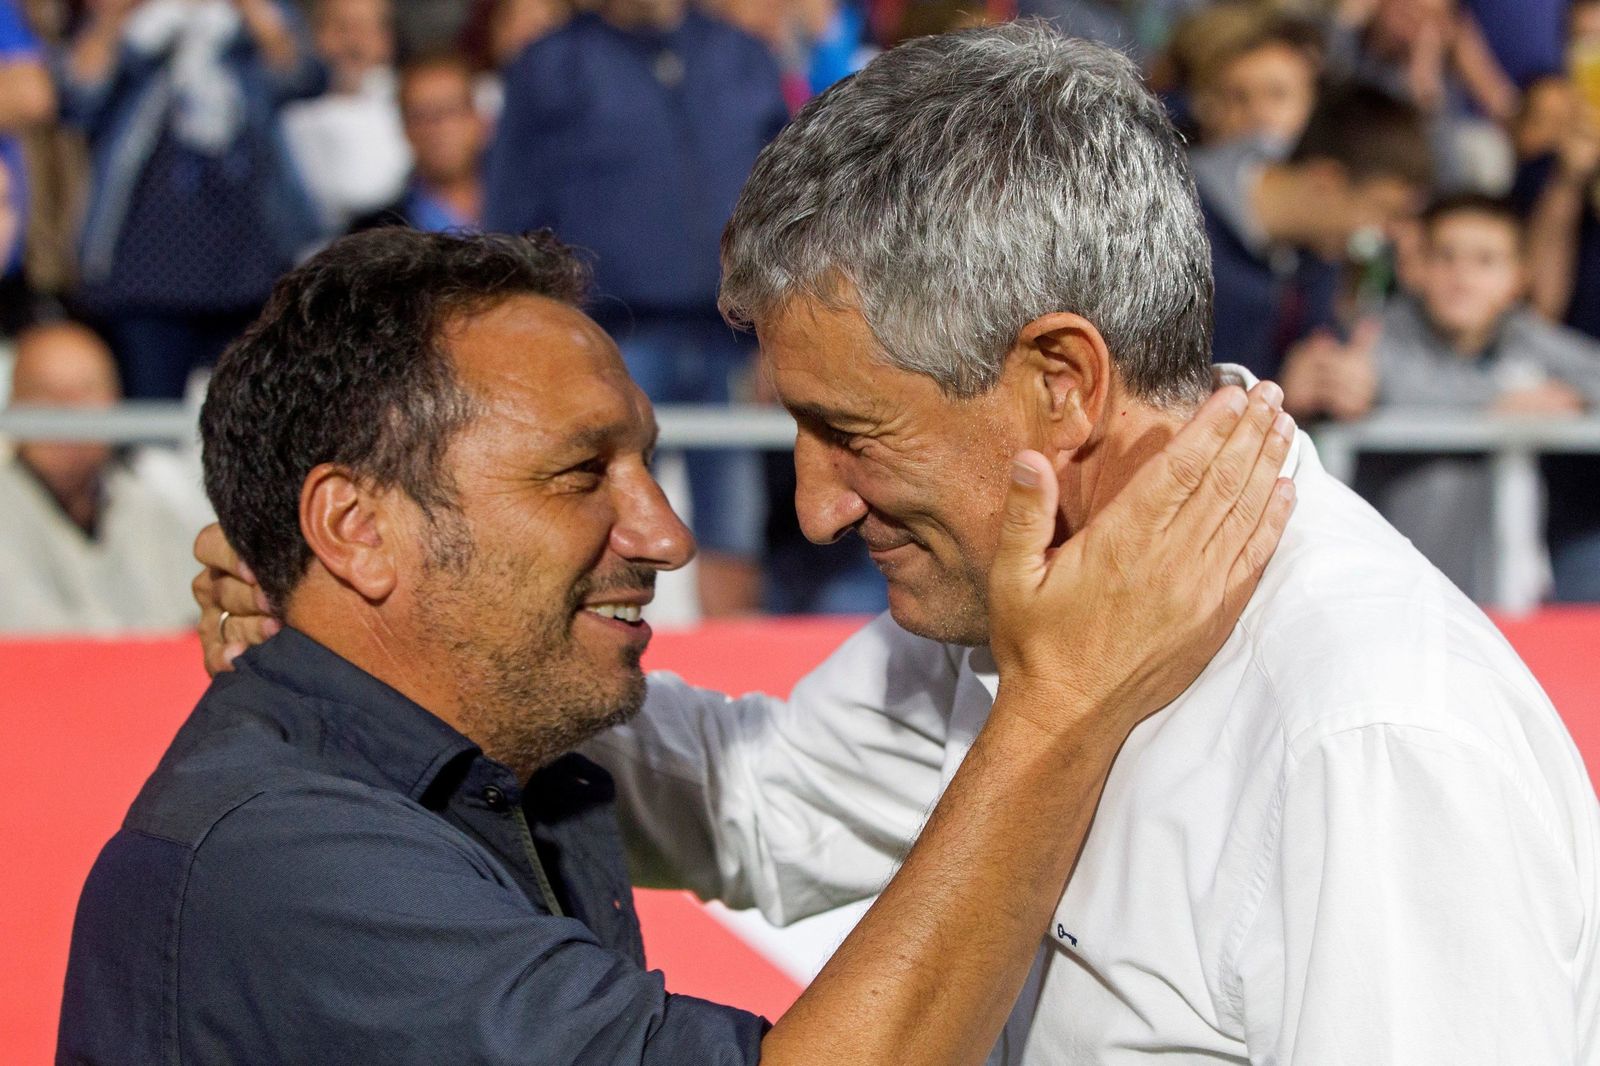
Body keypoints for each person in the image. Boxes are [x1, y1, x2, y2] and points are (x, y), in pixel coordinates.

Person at [198, 26, 1600, 1065]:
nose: (813, 505)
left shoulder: (1369, 736)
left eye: (850, 429)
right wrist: (419, 654)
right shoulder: (1006, 596)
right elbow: (752, 804)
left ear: (1061, 378)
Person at [62, 225, 1296, 1063]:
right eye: (580, 473)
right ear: (358, 527)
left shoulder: (474, 748)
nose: (664, 531)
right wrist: (1065, 697)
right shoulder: (283, 862)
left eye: (646, 457)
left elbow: (754, 792)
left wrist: (318, 604)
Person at [484, 0, 790, 616]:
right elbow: (511, 217)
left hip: (733, 334)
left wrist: (782, 332)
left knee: (732, 529)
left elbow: (788, 200)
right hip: (607, 339)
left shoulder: (740, 55)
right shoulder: (550, 65)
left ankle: (731, 677)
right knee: (597, 522)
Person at [1292, 194, 1600, 603]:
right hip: (1386, 581)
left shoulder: (1520, 335)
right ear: (1417, 267)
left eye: (1486, 261)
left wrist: (1572, 397)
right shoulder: (1376, 334)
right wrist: (1502, 399)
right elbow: (1379, 379)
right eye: (1446, 257)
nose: (1463, 276)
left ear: (1518, 277)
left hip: (1491, 588)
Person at [59, 0, 325, 399]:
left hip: (246, 268)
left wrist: (257, 15)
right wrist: (114, 19)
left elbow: (303, 76)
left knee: (252, 410)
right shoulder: (139, 34)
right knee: (152, 428)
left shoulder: (244, 31)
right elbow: (77, 95)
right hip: (146, 271)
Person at [1192, 81, 1432, 378]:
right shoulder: (1170, 219)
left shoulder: (1320, 259)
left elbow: (1317, 352)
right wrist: (1278, 389)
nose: (1387, 234)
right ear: (1326, 182)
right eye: (1383, 211)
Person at [0, 321, 201, 632]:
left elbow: (191, 619)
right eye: (44, 391)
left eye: (86, 391)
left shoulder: (149, 501)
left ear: (116, 402)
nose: (67, 410)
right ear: (15, 404)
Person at [281, 0, 411, 233]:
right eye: (341, 28)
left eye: (365, 28)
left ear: (387, 39)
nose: (353, 42)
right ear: (315, 35)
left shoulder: (411, 102)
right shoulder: (291, 117)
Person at [350, 52, 488, 233]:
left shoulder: (529, 212)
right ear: (404, 128)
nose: (439, 127)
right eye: (421, 116)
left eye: (450, 109)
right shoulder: (373, 233)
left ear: (479, 119)